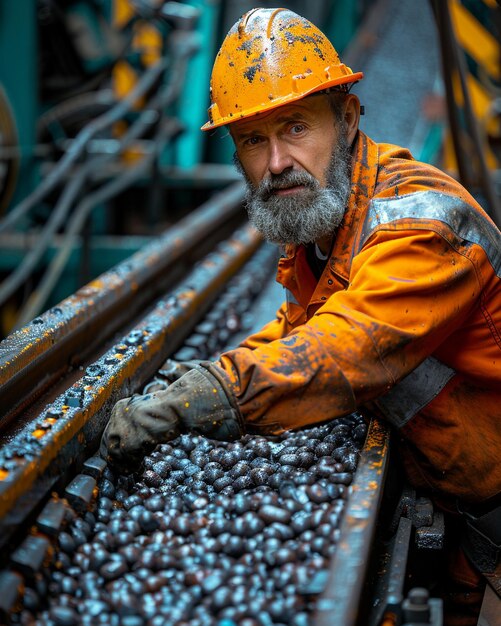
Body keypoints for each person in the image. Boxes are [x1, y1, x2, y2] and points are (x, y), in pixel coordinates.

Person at [101, 8, 501, 625]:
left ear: (345, 120)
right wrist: (210, 370)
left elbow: (349, 347)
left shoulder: (417, 225)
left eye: (294, 127)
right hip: (463, 505)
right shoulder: (324, 226)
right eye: (254, 141)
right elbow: (304, 331)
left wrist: (220, 391)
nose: (278, 161)